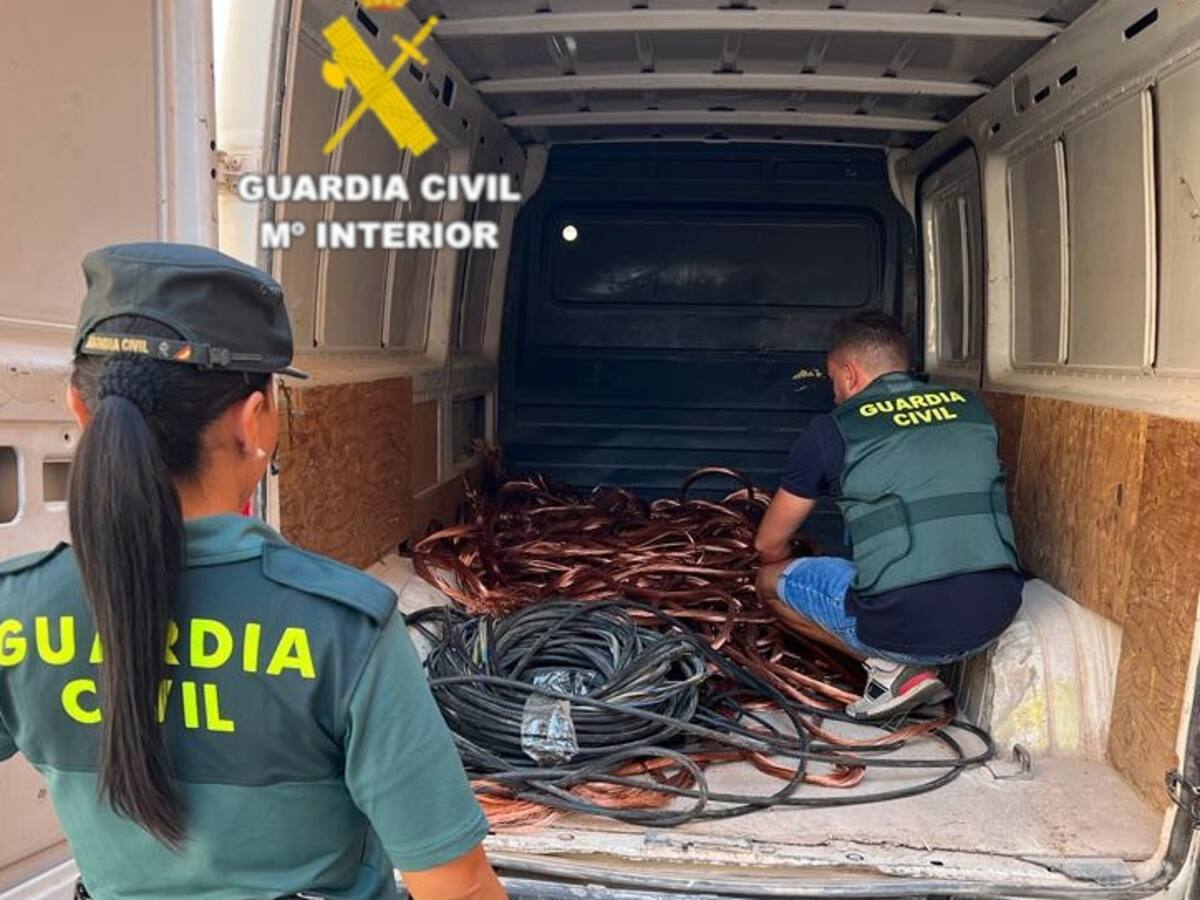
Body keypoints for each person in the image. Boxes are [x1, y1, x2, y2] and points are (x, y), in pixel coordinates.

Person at [0, 244, 506, 900]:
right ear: (255, 420)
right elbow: (457, 887)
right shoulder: (343, 627)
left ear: (79, 407)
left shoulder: (16, 607)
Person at [754, 312, 1023, 720]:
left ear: (849, 374)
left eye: (832, 379)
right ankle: (907, 659)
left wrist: (790, 559)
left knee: (768, 582)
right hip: (994, 614)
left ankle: (891, 669)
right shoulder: (972, 408)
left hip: (901, 627)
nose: (834, 394)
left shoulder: (832, 431)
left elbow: (768, 543)